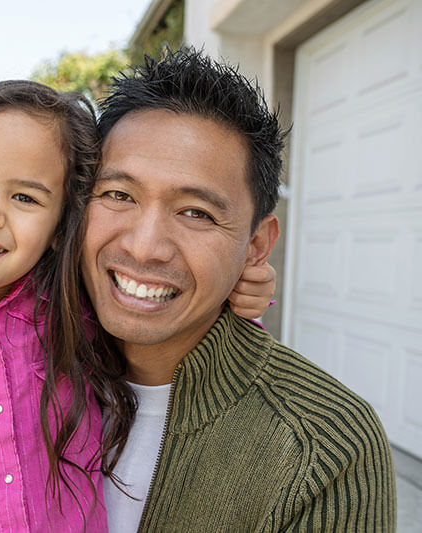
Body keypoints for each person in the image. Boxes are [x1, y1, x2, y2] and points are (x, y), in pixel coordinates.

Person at [0, 79, 276, 531]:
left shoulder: (76, 309)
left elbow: (183, 335)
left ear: (60, 225)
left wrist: (237, 290)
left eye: (25, 197)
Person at [84, 49, 396, 531]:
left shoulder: (323, 447)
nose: (145, 248)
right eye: (119, 195)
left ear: (255, 247)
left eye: (197, 213)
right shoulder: (8, 366)